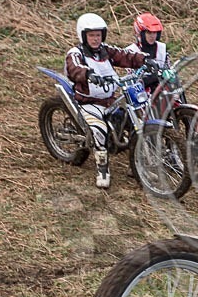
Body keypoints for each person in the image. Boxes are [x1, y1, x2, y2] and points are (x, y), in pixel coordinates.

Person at [65, 13, 155, 188]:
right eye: (91, 35)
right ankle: (103, 169)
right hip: (89, 101)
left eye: (98, 35)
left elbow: (125, 55)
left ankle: (137, 164)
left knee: (132, 122)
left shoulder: (106, 50)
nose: (95, 39)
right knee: (100, 130)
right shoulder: (76, 53)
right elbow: (74, 68)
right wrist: (88, 74)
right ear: (83, 35)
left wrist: (145, 59)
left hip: (109, 100)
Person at [125, 12, 172, 93]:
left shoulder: (162, 48)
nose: (152, 36)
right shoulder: (131, 51)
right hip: (141, 93)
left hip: (162, 90)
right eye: (149, 33)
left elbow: (168, 70)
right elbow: (131, 80)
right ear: (140, 33)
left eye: (155, 33)